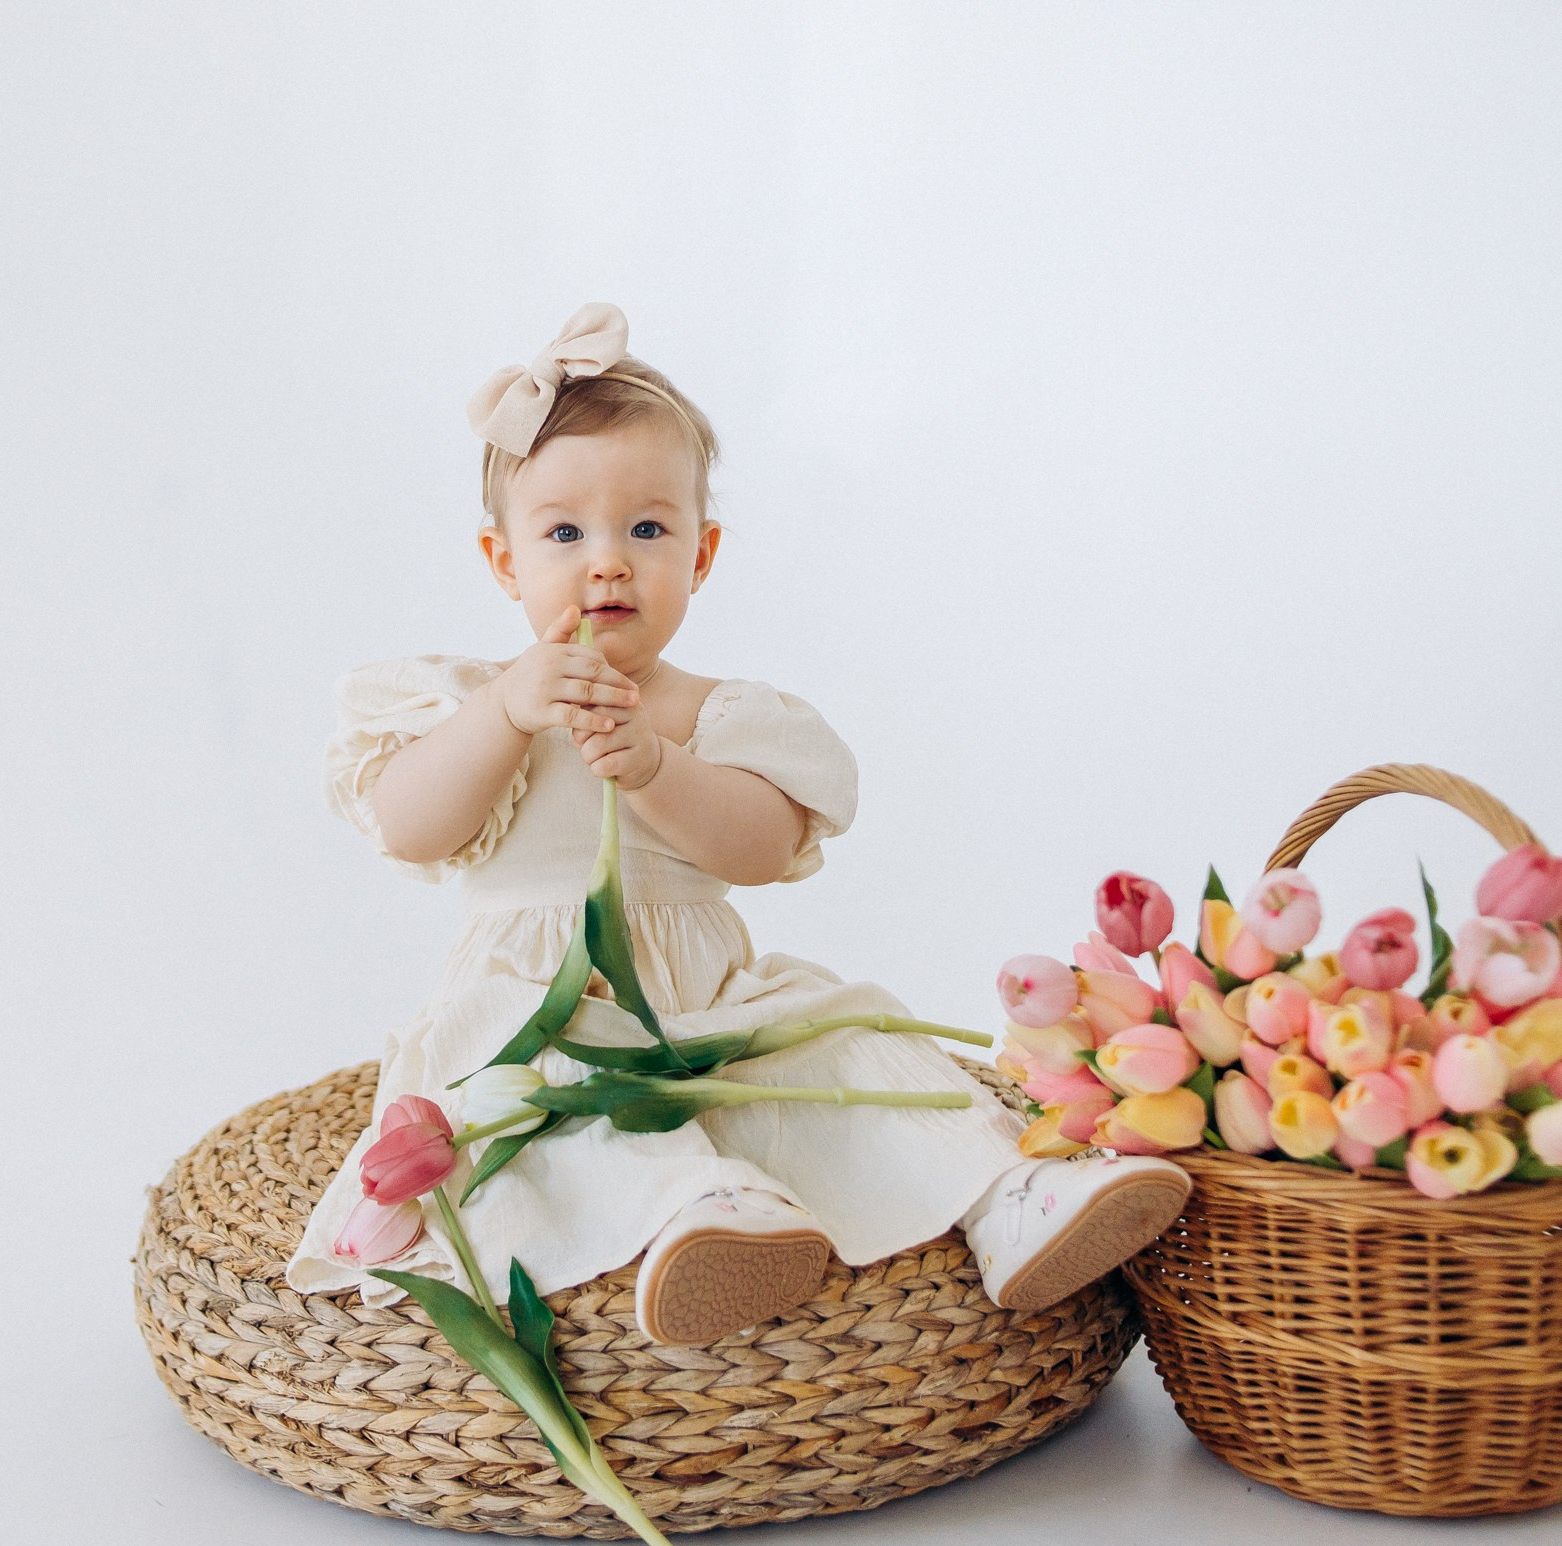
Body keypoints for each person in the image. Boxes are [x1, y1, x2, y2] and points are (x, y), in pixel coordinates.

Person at [283, 304, 1189, 1345]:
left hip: (708, 1004)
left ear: (702, 554)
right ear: (504, 561)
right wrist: (501, 714)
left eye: (647, 530)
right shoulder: (470, 701)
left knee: (848, 1038)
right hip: (539, 1014)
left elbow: (759, 849)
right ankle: (703, 1213)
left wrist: (658, 770)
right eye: (565, 533)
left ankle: (1007, 1196)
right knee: (570, 1107)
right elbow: (409, 827)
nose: (608, 562)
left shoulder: (713, 713)